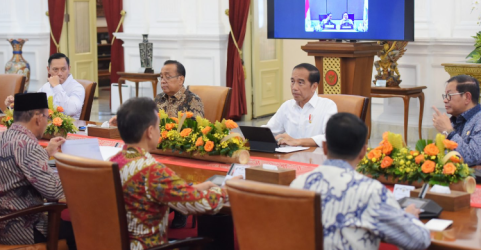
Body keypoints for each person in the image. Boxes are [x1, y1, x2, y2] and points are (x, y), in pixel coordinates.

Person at [290, 113, 431, 250]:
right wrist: (409, 216)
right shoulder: (371, 192)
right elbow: (419, 240)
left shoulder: (297, 185)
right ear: (363, 152)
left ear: (325, 147)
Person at [110, 97, 229, 249]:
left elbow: (168, 192)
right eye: (158, 126)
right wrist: (227, 190)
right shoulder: (152, 171)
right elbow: (203, 204)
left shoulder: (112, 162)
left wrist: (199, 187)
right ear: (150, 132)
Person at [0, 93, 76, 249]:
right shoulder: (27, 145)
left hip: (4, 221)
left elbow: (17, 162)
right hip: (22, 227)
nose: (47, 123)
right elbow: (53, 191)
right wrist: (77, 176)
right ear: (38, 118)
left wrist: (47, 152)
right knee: (83, 230)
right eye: (47, 119)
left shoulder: (5, 136)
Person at [109, 60, 204, 126]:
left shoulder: (192, 100)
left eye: (168, 76)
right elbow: (145, 118)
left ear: (180, 79)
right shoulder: (159, 98)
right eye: (161, 77)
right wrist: (123, 119)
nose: (162, 81)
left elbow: (196, 129)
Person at [264, 63, 337, 147]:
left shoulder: (327, 106)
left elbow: (330, 137)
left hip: (314, 157)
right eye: (292, 81)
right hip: (289, 157)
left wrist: (298, 141)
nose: (294, 87)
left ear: (314, 86)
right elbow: (269, 130)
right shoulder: (287, 106)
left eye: (300, 83)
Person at [4, 53, 85, 119]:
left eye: (63, 69)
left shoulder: (77, 88)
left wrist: (57, 86)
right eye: (55, 69)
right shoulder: (46, 86)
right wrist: (14, 104)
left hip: (70, 132)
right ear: (48, 70)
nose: (59, 73)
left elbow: (70, 111)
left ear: (69, 69)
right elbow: (32, 105)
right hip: (46, 129)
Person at [432, 75, 481, 166]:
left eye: (449, 95)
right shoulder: (455, 119)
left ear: (467, 97)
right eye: (445, 95)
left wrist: (449, 132)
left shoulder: (479, 120)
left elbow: (473, 157)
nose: (445, 100)